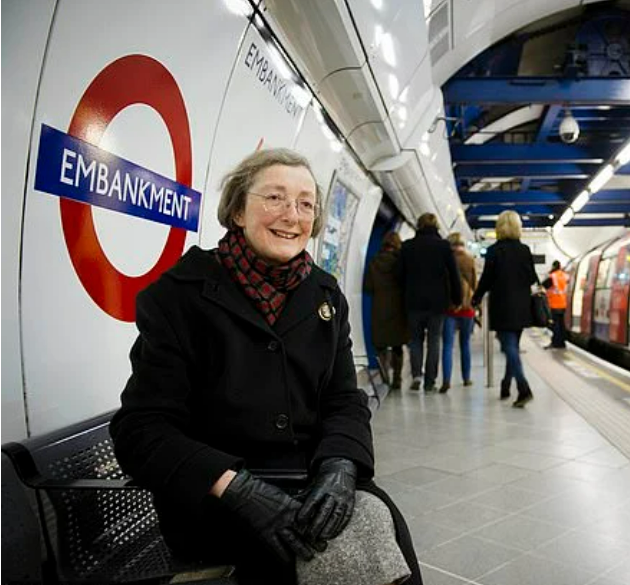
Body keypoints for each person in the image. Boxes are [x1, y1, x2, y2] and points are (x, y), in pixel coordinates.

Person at [110, 148, 420, 585]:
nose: (292, 215)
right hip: (214, 502)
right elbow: (141, 429)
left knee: (373, 521)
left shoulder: (324, 294)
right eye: (274, 198)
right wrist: (236, 487)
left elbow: (343, 400)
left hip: (310, 481)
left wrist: (341, 465)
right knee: (353, 548)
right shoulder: (178, 297)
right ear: (237, 210)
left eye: (306, 203)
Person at [471, 211, 539, 407]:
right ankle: (505, 384)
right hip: (521, 305)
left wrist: (475, 298)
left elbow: (486, 280)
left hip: (501, 305)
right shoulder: (524, 250)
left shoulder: (494, 251)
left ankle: (523, 387)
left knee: (509, 348)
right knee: (513, 348)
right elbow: (532, 278)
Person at [400, 213, 461, 393]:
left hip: (413, 302)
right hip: (437, 303)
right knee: (434, 341)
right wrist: (456, 299)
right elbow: (454, 275)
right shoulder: (443, 247)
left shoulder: (407, 246)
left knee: (415, 340)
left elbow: (399, 275)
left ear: (418, 225)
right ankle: (430, 381)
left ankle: (417, 375)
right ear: (436, 226)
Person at [364, 231, 408, 390]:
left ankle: (385, 378)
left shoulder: (374, 262)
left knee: (381, 346)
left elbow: (368, 287)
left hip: (379, 308)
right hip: (398, 308)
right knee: (398, 346)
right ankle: (397, 379)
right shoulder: (400, 262)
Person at [440, 232, 477, 393]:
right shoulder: (469, 260)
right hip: (467, 308)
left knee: (447, 345)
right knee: (465, 344)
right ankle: (466, 378)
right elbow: (475, 283)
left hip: (449, 308)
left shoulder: (444, 260)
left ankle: (446, 380)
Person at [541, 260, 568, 349]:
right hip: (563, 304)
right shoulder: (564, 276)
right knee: (561, 324)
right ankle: (562, 342)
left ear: (553, 266)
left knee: (555, 325)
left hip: (554, 304)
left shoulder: (553, 276)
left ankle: (556, 342)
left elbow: (543, 286)